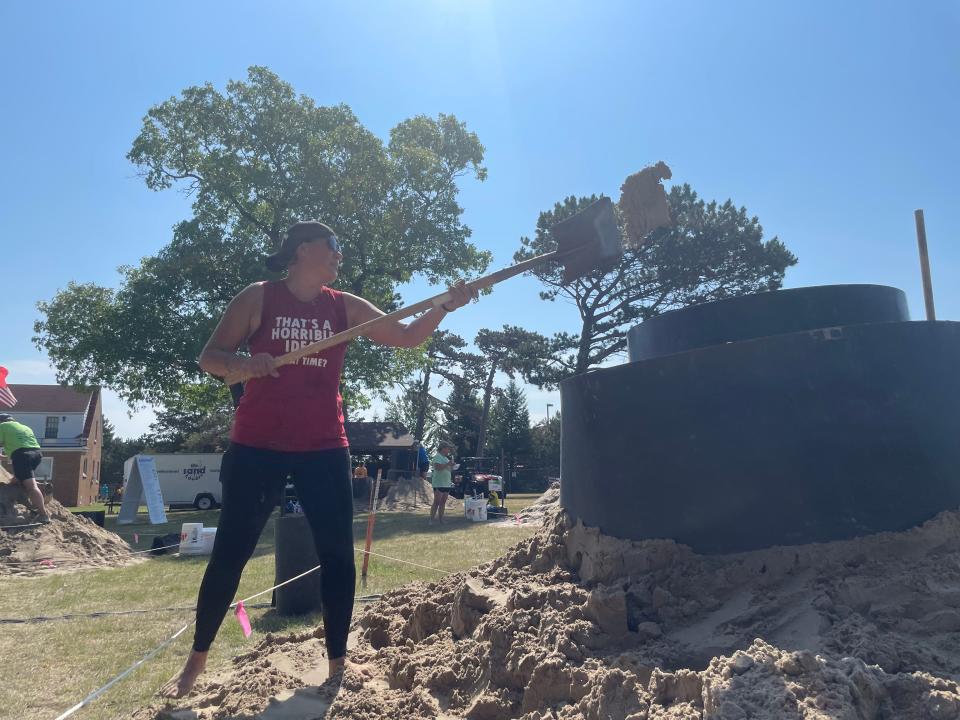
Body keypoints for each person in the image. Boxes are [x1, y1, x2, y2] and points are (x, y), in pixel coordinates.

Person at [162, 220, 476, 698]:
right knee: (230, 552)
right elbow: (210, 356)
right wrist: (244, 364)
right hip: (257, 445)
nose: (339, 257)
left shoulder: (345, 306)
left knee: (337, 557)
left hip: (325, 446)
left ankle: (336, 662)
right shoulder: (259, 297)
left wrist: (444, 307)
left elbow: (408, 336)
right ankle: (195, 662)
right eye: (334, 247)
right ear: (304, 249)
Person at [0, 413, 50, 523]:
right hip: (36, 455)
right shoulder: (24, 427)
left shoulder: (2, 426)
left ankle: (43, 514)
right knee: (16, 481)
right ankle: (38, 490)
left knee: (31, 487)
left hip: (22, 457)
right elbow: (20, 447)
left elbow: (19, 453)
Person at [429, 441, 455, 525]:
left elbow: (449, 469)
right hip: (439, 483)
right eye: (448, 448)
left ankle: (441, 520)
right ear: (443, 448)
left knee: (443, 502)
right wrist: (448, 464)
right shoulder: (437, 457)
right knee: (436, 502)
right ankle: (431, 520)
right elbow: (437, 468)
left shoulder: (446, 458)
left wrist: (452, 466)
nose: (449, 450)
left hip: (446, 483)